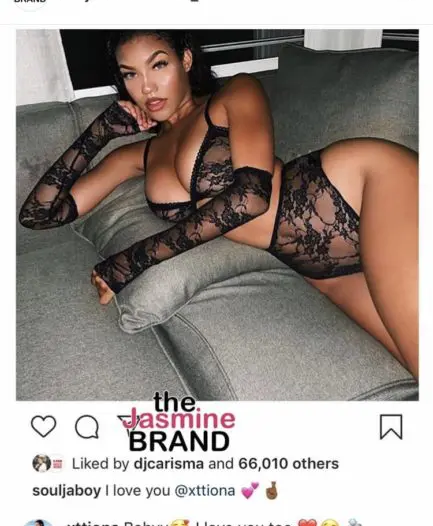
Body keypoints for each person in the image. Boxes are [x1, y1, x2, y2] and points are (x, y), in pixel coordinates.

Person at [19, 30, 418, 379]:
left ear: (185, 60)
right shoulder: (138, 156)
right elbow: (39, 214)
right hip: (318, 267)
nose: (147, 87)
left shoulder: (235, 93)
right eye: (130, 74)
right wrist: (97, 133)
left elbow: (252, 198)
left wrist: (134, 260)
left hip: (359, 187)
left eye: (158, 65)